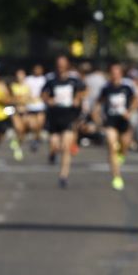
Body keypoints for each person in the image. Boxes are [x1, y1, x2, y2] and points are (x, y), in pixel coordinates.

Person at [44, 56, 85, 187]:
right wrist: (48, 101)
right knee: (55, 144)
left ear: (67, 65)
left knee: (66, 147)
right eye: (59, 64)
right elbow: (44, 93)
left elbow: (84, 90)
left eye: (63, 64)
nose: (61, 66)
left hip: (68, 115)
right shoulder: (51, 79)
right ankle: (52, 154)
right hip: (54, 116)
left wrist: (78, 99)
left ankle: (63, 176)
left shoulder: (74, 79)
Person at [97, 62, 137, 191]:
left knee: (124, 146)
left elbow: (136, 100)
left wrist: (129, 111)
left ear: (121, 74)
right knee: (112, 145)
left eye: (117, 73)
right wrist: (97, 116)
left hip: (124, 120)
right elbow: (99, 102)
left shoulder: (127, 86)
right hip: (111, 120)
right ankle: (117, 177)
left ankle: (122, 154)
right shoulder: (106, 87)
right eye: (112, 73)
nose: (115, 75)